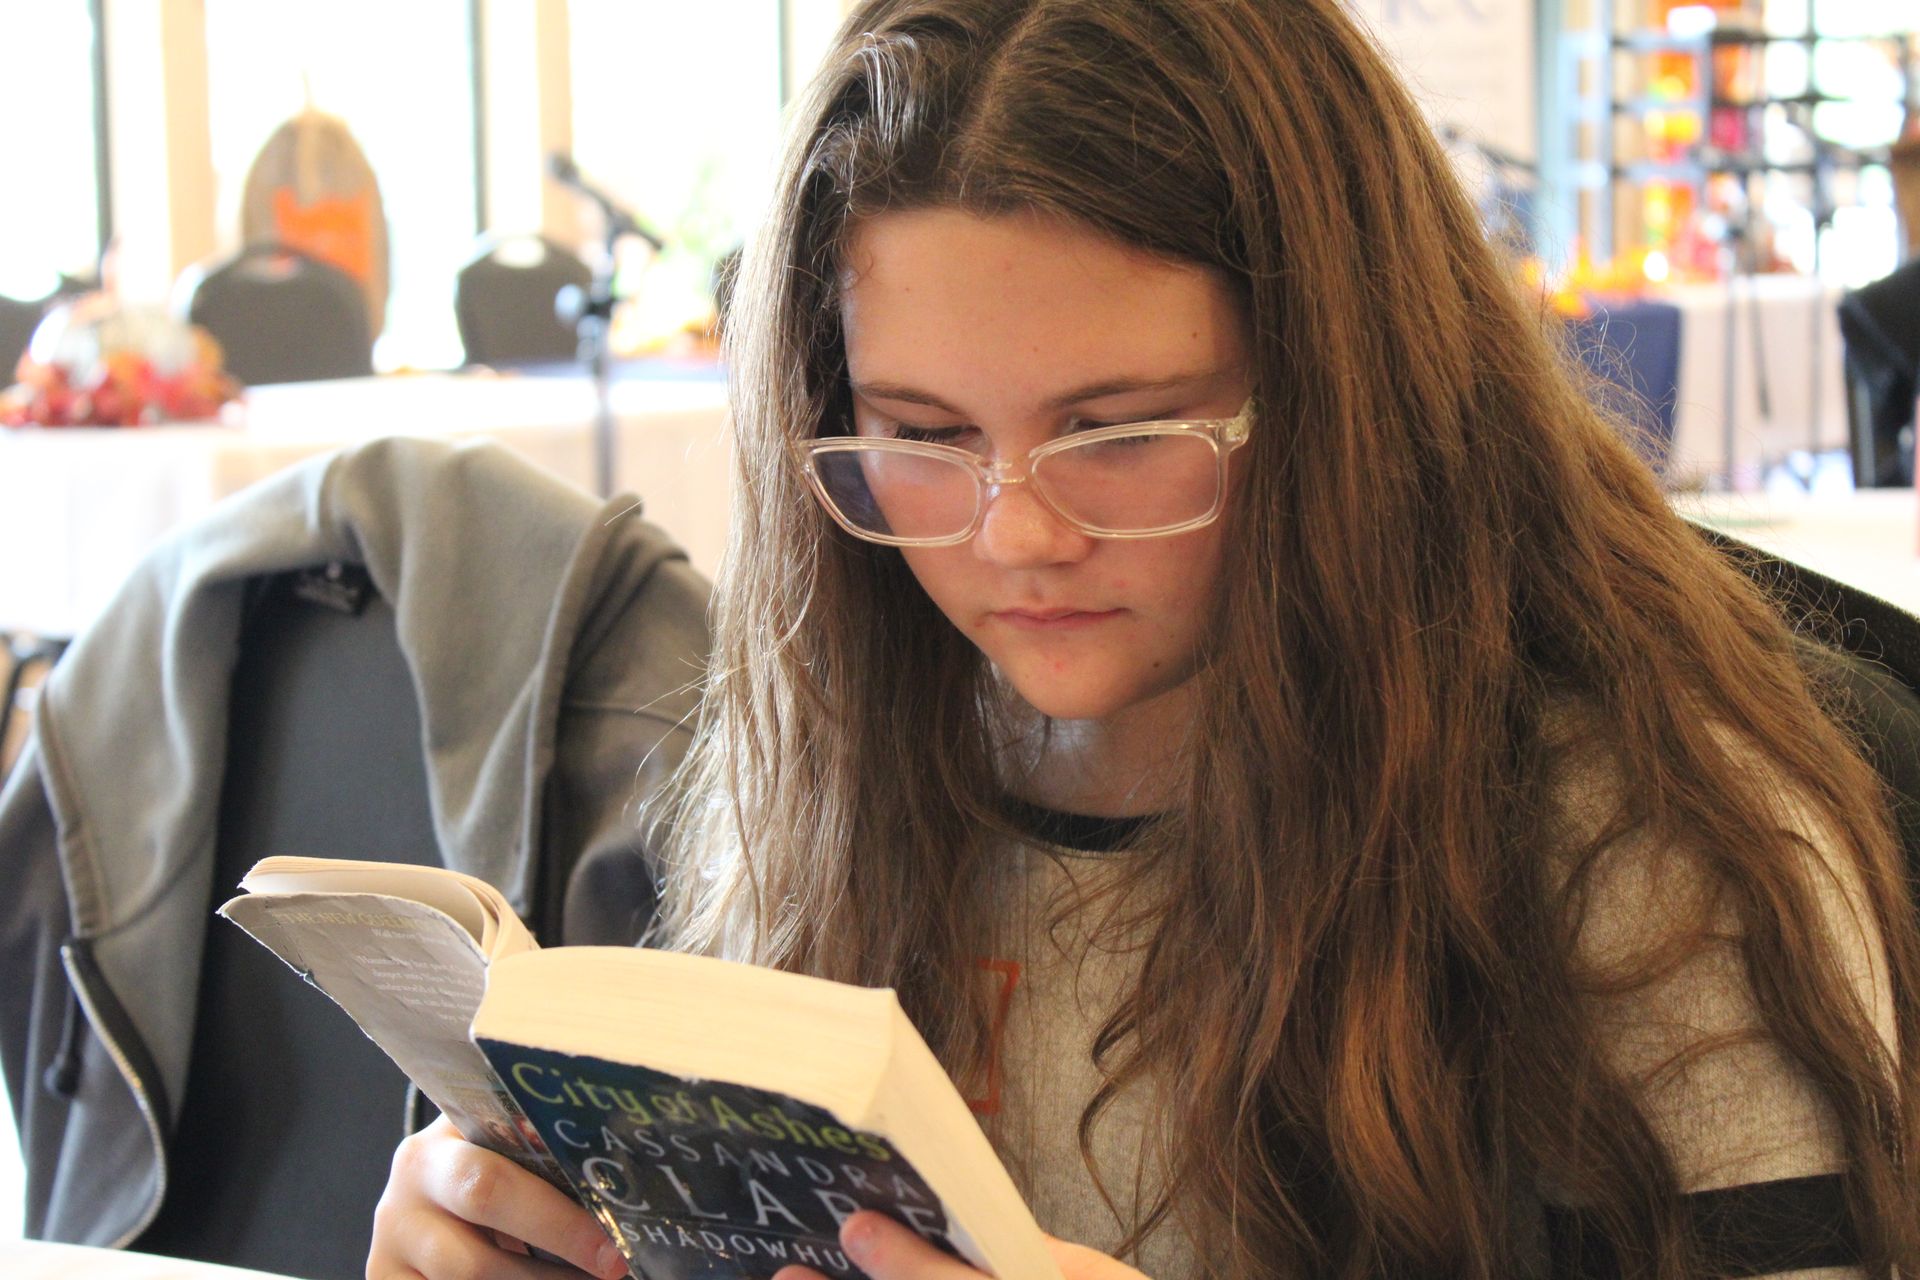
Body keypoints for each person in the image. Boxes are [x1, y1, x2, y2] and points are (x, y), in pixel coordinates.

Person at [366, 1, 1920, 1277]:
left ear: (1343, 404)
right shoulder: (840, 758)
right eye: (921, 433)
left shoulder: (1639, 834)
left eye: (1120, 434)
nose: (1016, 534)